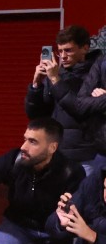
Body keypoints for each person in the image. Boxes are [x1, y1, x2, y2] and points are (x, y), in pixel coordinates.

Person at [26, 26, 100, 175]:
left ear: (85, 48)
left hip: (84, 156)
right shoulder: (56, 75)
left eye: (68, 50)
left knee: (80, 197)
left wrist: (55, 79)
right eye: (60, 51)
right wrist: (36, 85)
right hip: (56, 154)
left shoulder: (96, 74)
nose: (63, 56)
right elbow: (35, 115)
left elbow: (80, 108)